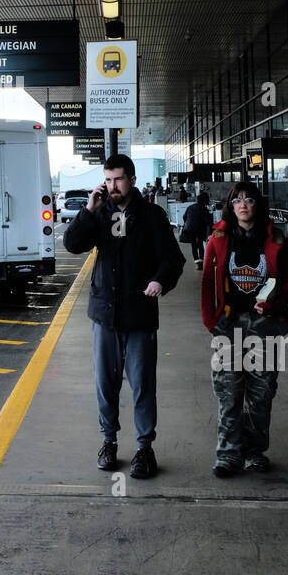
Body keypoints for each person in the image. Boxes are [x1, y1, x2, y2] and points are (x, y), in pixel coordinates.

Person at [64, 153, 186, 479]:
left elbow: (173, 259)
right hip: (104, 315)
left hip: (140, 315)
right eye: (108, 179)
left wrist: (160, 279)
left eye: (118, 179)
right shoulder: (100, 214)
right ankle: (109, 442)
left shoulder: (152, 216)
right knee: (106, 384)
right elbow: (72, 244)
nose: (112, 185)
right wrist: (88, 209)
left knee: (142, 385)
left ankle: (145, 449)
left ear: (131, 179)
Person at [200, 181, 288, 478]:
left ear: (258, 204)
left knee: (261, 393)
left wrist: (271, 306)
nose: (243, 204)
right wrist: (210, 320)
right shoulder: (218, 238)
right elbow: (206, 281)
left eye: (249, 199)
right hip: (228, 325)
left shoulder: (276, 239)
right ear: (231, 206)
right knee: (228, 394)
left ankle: (254, 452)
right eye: (237, 200)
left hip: (264, 327)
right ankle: (228, 454)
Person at [181, 190, 213, 269]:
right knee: (200, 244)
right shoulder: (203, 209)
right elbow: (207, 220)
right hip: (200, 228)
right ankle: (201, 260)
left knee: (193, 245)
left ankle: (196, 261)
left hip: (190, 228)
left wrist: (187, 223)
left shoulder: (190, 207)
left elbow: (184, 216)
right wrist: (213, 227)